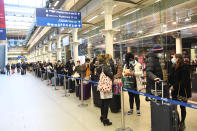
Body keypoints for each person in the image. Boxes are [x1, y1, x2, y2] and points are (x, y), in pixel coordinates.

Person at [169, 54, 192, 130]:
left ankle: (182, 122)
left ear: (178, 59)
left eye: (174, 58)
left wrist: (174, 86)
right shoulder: (172, 67)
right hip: (174, 91)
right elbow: (171, 78)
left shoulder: (184, 67)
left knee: (182, 107)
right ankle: (178, 121)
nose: (173, 59)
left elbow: (185, 81)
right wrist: (169, 84)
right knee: (174, 107)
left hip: (182, 92)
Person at [96, 54, 113, 126]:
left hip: (101, 87)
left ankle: (102, 117)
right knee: (106, 103)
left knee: (103, 103)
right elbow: (110, 75)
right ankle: (105, 120)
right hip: (106, 87)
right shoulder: (105, 67)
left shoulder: (98, 67)